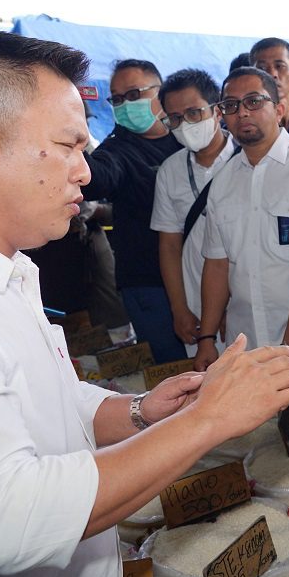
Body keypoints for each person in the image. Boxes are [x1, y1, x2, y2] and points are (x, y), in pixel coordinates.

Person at [0, 29, 289, 577]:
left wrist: (142, 412)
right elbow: (5, 521)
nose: (85, 170)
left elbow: (41, 399)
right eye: (69, 145)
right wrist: (211, 419)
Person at [194, 67, 289, 429]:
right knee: (263, 462)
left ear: (280, 107)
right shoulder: (222, 182)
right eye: (231, 105)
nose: (242, 113)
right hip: (247, 351)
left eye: (254, 101)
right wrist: (207, 337)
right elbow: (217, 265)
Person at [83, 59, 186, 363]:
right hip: (148, 284)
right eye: (116, 99)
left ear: (161, 92)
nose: (125, 105)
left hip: (203, 276)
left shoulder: (190, 138)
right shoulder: (117, 149)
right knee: (175, 371)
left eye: (133, 95)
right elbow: (96, 177)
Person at [151, 68, 236, 356]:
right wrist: (179, 308)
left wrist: (227, 307)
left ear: (218, 112)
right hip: (196, 303)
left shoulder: (246, 161)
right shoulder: (170, 171)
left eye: (194, 113)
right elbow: (169, 245)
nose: (184, 124)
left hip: (247, 299)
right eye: (174, 118)